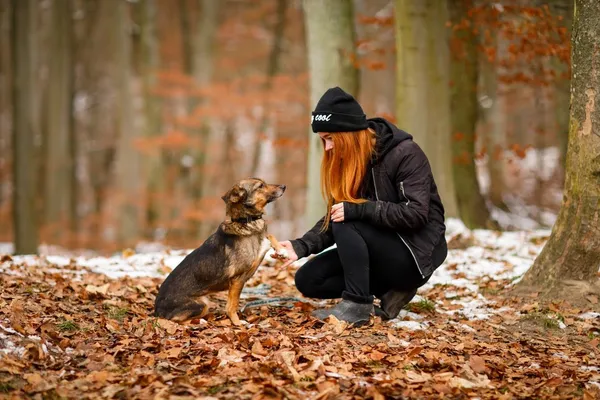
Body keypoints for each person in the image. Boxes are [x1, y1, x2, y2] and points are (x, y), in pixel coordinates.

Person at [276, 86, 448, 326]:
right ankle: (388, 290)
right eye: (322, 140)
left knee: (349, 217)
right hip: (376, 248)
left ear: (348, 134)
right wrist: (300, 246)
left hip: (414, 253)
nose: (327, 148)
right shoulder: (349, 161)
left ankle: (358, 305)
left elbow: (416, 214)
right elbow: (337, 214)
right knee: (309, 279)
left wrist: (360, 209)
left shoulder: (405, 153)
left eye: (330, 139)